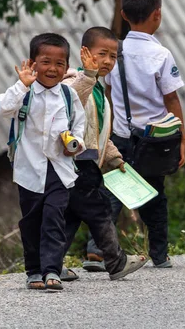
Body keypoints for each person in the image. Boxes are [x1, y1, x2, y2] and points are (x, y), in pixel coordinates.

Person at [104, 0, 185, 268]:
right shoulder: (161, 54)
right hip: (154, 139)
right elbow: (172, 99)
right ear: (158, 14)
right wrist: (182, 139)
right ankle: (159, 255)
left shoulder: (114, 53)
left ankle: (97, 249)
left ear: (124, 15)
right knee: (154, 195)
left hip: (121, 136)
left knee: (113, 191)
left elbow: (107, 93)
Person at [0, 33, 85, 291]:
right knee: (32, 221)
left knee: (54, 218)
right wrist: (21, 85)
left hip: (60, 169)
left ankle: (52, 271)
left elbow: (80, 126)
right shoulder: (24, 93)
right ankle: (34, 271)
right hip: (29, 170)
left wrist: (75, 144)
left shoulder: (68, 96)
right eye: (46, 62)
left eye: (60, 63)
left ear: (67, 66)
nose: (53, 69)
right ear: (33, 63)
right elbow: (3, 108)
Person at [60, 26, 148, 280]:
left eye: (113, 56)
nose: (108, 61)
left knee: (70, 218)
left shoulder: (99, 89)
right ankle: (116, 261)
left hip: (89, 162)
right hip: (75, 162)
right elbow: (68, 101)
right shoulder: (73, 81)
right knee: (99, 212)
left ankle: (50, 265)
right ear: (85, 53)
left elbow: (99, 133)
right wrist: (87, 74)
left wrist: (113, 157)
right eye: (102, 54)